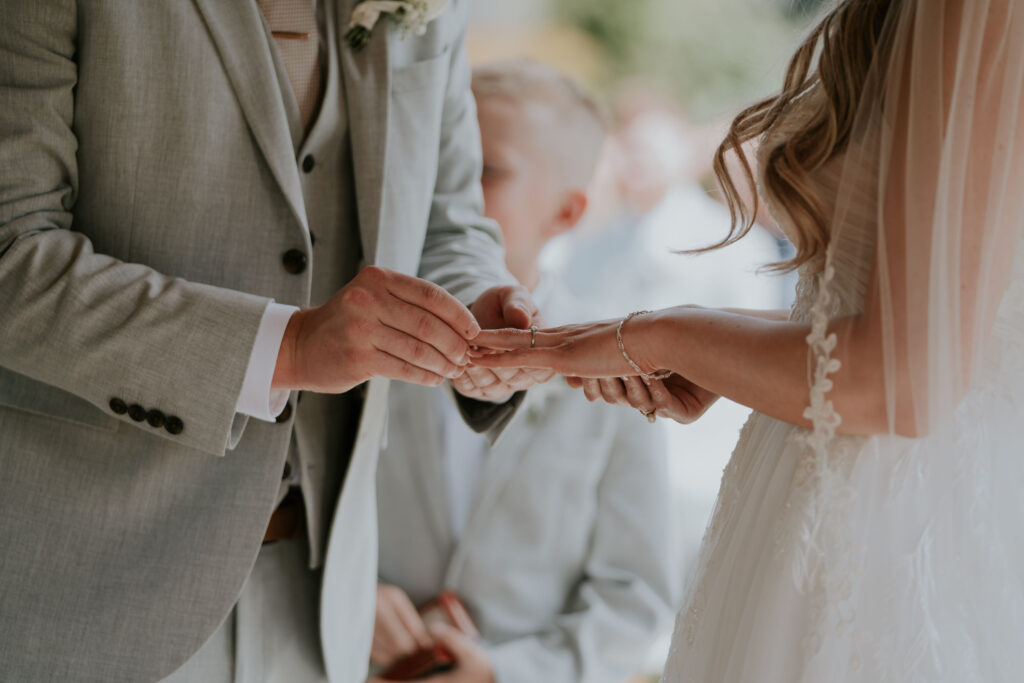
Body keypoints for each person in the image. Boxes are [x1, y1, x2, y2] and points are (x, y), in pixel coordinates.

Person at [472, 1, 1024, 680]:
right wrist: (697, 342)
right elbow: (903, 322)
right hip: (813, 495)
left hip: (895, 535)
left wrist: (658, 334)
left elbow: (902, 384)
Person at [0, 1, 546, 681]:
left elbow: (451, 222)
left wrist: (479, 302)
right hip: (87, 588)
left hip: (321, 614)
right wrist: (286, 347)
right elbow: (12, 252)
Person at [369, 60, 677, 683]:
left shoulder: (621, 372)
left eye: (484, 172)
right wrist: (349, 592)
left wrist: (502, 673)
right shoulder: (365, 334)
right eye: (439, 164)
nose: (446, 191)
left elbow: (635, 600)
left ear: (566, 212)